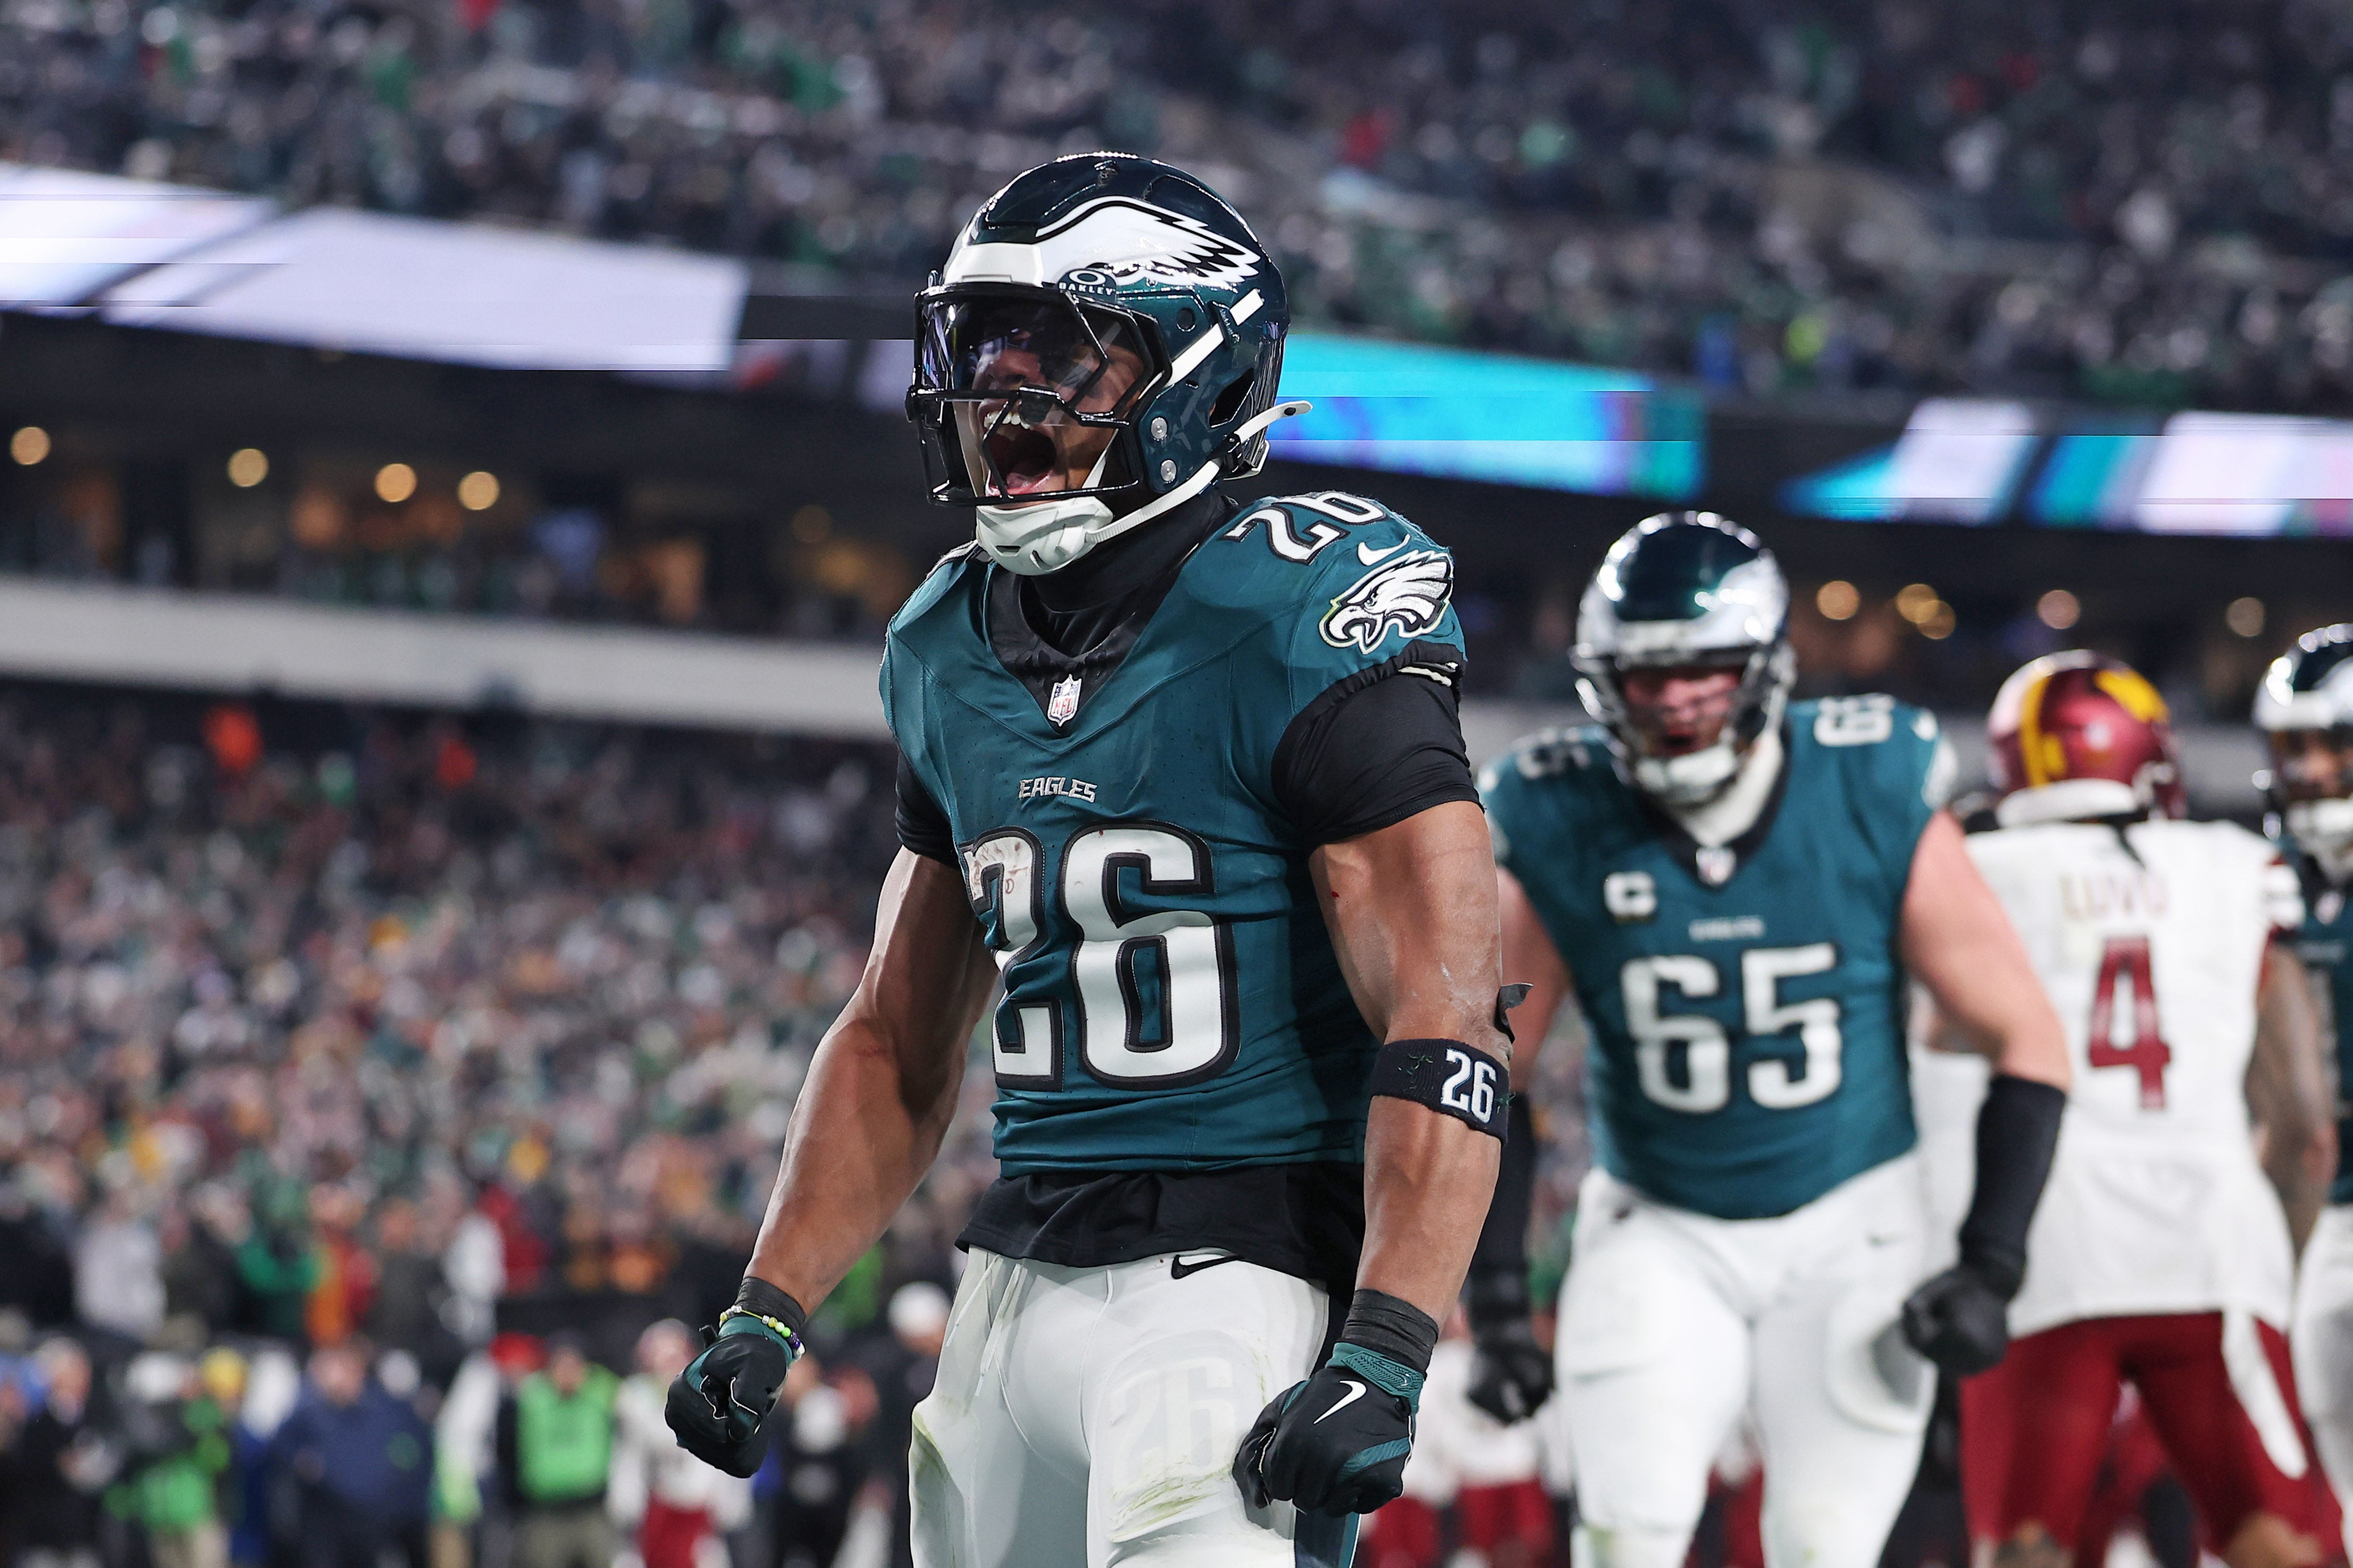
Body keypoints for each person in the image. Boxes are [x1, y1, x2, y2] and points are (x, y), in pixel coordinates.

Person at [664, 152, 1514, 1568]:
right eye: (989, 345)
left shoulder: (1302, 606)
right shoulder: (946, 641)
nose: (1007, 386)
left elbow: (1445, 1008)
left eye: (1066, 350)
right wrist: (769, 1301)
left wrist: (1387, 1337)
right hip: (1012, 1286)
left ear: (1194, 375)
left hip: (1232, 1281)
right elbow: (896, 1033)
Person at [1478, 512, 2071, 1568]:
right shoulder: (1557, 802)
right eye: (1641, 675)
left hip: (1854, 1221)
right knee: (1625, 1535)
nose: (1668, 700)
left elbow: (2025, 1037)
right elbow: (1495, 1069)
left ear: (1762, 666)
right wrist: (1497, 1302)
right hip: (1660, 1221)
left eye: (1700, 669)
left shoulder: (1865, 779)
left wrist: (1991, 1265)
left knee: (1824, 1545)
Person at [1926, 652, 2335, 1568]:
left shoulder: (1972, 866)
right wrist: (2287, 1268)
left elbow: (1931, 1044)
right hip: (2213, 1251)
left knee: (2025, 1545)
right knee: (2277, 1537)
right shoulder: (2237, 866)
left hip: (2041, 1254)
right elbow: (2305, 1120)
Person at [2268, 625, 2353, 1563]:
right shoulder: (2267, 881)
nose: (2317, 770)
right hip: (2324, 1212)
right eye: (2298, 747)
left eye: (2339, 743)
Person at [270, 1340, 433, 1568]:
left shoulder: (386, 1410)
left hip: (374, 1519)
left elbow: (417, 1455)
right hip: (326, 1516)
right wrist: (305, 1463)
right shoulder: (312, 1413)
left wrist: (399, 1497)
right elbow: (282, 1443)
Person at [610, 1320, 748, 1568]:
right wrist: (627, 1507)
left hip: (703, 1511)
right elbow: (630, 1461)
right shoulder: (637, 1402)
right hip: (659, 1508)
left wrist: (729, 1504)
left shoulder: (716, 1396)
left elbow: (729, 1453)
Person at [501, 1334, 620, 1568]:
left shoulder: (599, 1395)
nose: (568, 1373)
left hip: (590, 1509)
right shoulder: (532, 1398)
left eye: (574, 1366)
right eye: (561, 1366)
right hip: (544, 1512)